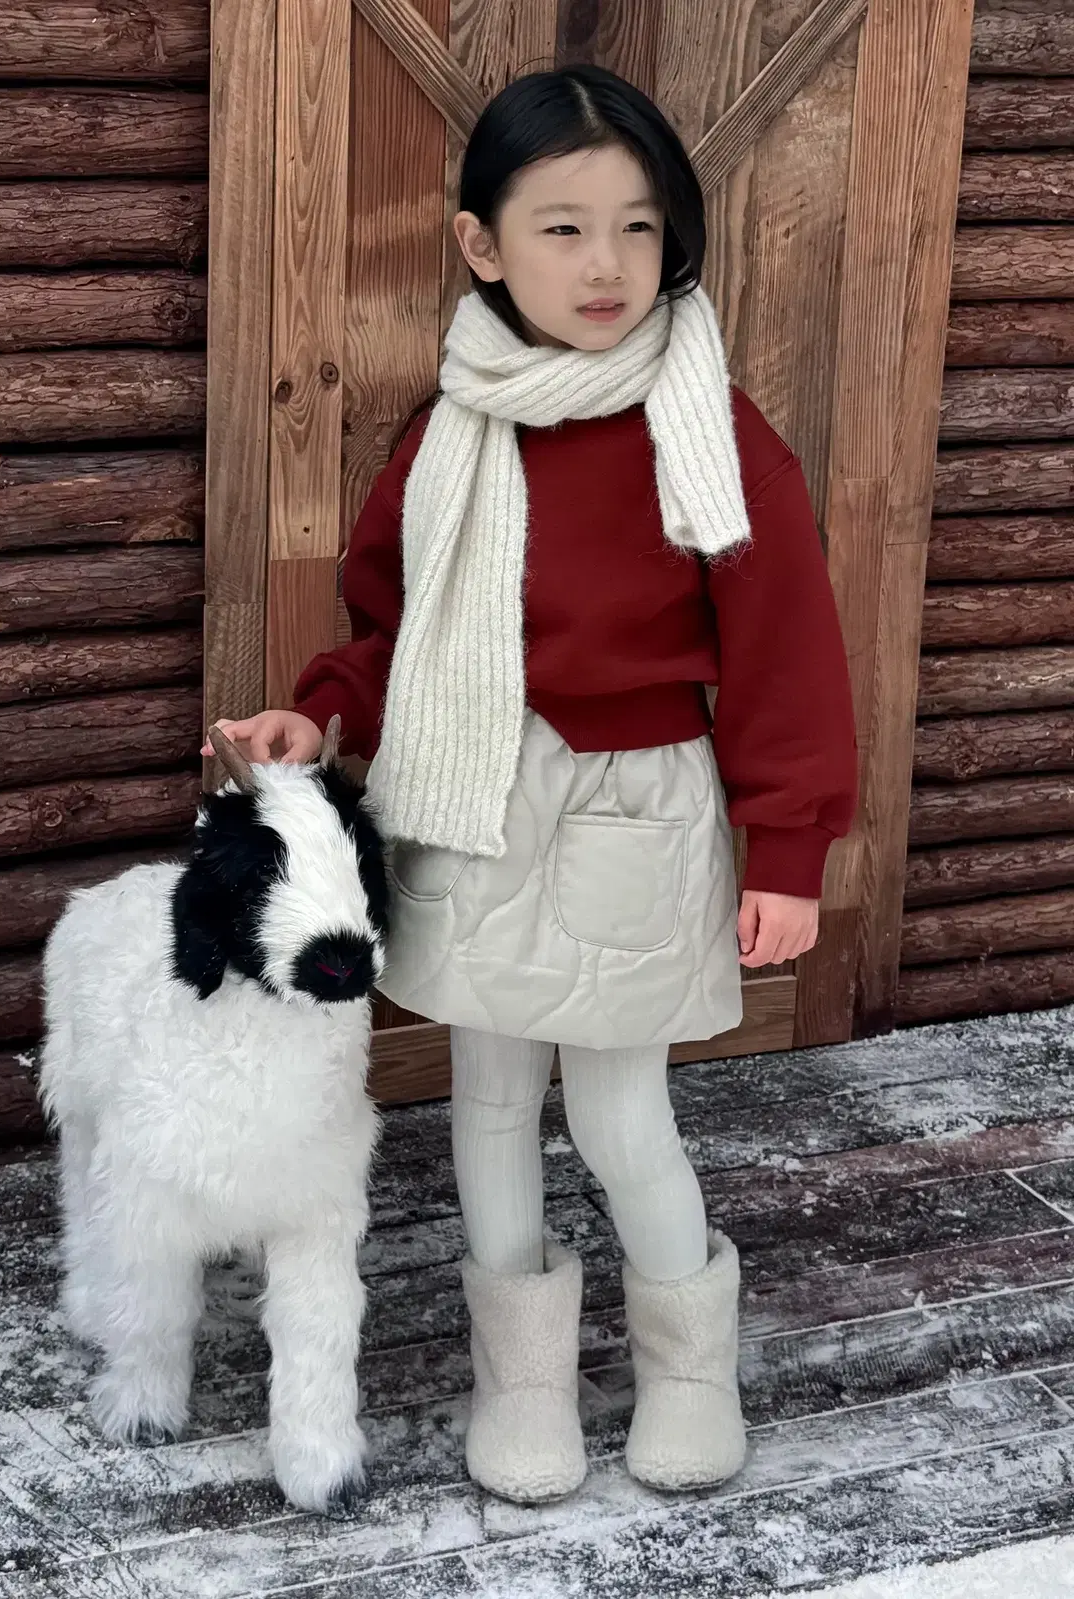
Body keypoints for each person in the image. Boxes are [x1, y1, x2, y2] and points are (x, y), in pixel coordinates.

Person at [206, 64, 858, 1506]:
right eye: (561, 228)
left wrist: (787, 848)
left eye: (637, 226)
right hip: (473, 791)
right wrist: (318, 720)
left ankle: (690, 1363)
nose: (608, 264)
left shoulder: (713, 428)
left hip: (638, 799)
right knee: (489, 1102)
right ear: (481, 245)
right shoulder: (451, 432)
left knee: (624, 1115)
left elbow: (785, 651)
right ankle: (526, 1382)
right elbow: (400, 627)